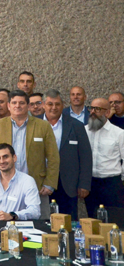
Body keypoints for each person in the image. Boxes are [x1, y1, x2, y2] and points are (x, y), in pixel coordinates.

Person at [0, 90, 59, 220]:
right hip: (5, 186)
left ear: (28, 106)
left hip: (37, 185)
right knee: (4, 224)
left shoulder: (43, 126)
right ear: (9, 105)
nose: (17, 106)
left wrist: (49, 183)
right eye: (14, 103)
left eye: (21, 103)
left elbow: (53, 156)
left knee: (40, 224)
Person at [42, 89, 92, 219]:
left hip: (68, 184)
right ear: (43, 105)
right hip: (41, 182)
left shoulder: (76, 125)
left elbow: (85, 156)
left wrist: (84, 184)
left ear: (63, 105)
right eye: (50, 104)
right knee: (43, 221)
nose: (54, 108)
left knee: (69, 222)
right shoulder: (33, 124)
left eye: (57, 104)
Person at [85, 97, 124, 217]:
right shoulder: (84, 131)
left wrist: (121, 180)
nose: (92, 112)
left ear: (107, 112)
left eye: (97, 109)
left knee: (114, 220)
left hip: (111, 184)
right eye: (91, 108)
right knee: (92, 221)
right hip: (91, 184)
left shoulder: (118, 133)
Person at [0, 144, 41, 220]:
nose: (2, 161)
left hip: (18, 226)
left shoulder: (27, 181)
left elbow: (35, 212)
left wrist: (12, 215)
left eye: (5, 157)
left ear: (14, 158)